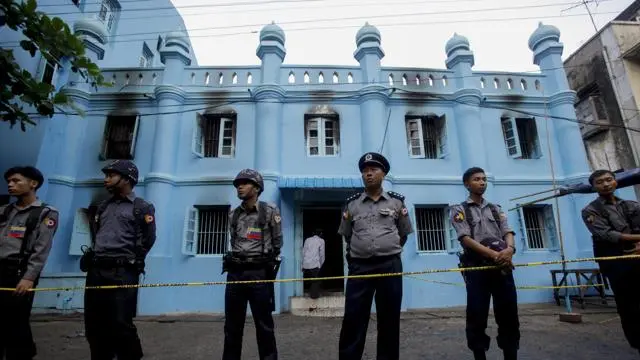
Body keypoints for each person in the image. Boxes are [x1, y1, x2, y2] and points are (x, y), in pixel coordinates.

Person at [337, 152, 414, 360]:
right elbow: (347, 236)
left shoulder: (397, 203)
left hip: (389, 266)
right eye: (365, 170)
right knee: (353, 318)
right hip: (360, 268)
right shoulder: (351, 204)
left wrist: (386, 249)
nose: (368, 174)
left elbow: (404, 233)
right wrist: (358, 254)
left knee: (389, 319)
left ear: (384, 174)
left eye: (373, 170)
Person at [81, 160, 156, 360]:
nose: (106, 180)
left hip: (123, 272)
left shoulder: (142, 207)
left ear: (127, 179)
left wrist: (132, 261)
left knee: (121, 322)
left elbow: (149, 238)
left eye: (111, 175)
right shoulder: (102, 206)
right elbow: (97, 235)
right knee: (94, 323)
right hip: (96, 271)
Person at [449, 166, 519, 360]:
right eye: (477, 179)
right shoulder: (459, 209)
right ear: (467, 184)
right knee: (477, 315)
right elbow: (465, 238)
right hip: (477, 268)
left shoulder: (496, 208)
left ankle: (510, 353)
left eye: (484, 179)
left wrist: (509, 250)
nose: (482, 182)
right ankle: (479, 354)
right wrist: (494, 255)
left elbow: (508, 232)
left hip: (503, 267)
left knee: (508, 314)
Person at [222, 169, 282, 360]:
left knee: (264, 325)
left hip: (259, 273)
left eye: (245, 183)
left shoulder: (269, 211)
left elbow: (278, 242)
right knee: (232, 326)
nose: (239, 186)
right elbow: (234, 240)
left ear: (256, 188)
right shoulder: (233, 214)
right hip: (235, 274)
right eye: (238, 184)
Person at [0, 166, 59, 360]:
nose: (10, 184)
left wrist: (29, 277)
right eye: (9, 181)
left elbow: (41, 249)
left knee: (16, 321)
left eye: (16, 181)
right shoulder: (5, 211)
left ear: (33, 184)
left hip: (19, 272)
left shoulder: (45, 213)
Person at [581, 169, 640, 354]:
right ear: (593, 187)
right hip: (618, 265)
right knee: (629, 307)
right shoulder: (591, 210)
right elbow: (606, 234)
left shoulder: (631, 205)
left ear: (615, 181)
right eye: (600, 182)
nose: (606, 184)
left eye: (609, 180)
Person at [302, 228, 325, 299]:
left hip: (306, 264)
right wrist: (320, 265)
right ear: (321, 234)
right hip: (315, 264)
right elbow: (322, 254)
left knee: (310, 279)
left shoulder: (307, 240)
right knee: (315, 280)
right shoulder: (321, 240)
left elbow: (303, 252)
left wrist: (302, 265)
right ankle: (314, 296)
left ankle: (311, 293)